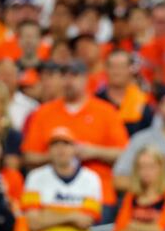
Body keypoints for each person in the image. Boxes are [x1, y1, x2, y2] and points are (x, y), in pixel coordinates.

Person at [21, 60, 129, 221]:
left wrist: (94, 151)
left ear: (86, 79)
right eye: (64, 76)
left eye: (75, 75)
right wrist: (60, 156)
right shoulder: (44, 112)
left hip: (97, 193)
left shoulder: (105, 111)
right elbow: (29, 156)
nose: (69, 81)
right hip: (49, 194)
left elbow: (124, 153)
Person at [21, 127, 101, 231]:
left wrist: (48, 214)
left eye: (66, 143)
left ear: (75, 148)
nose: (60, 149)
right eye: (55, 144)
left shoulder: (91, 178)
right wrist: (72, 215)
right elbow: (33, 223)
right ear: (48, 149)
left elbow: (85, 222)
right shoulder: (35, 177)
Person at [112, 146, 165, 231]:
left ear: (161, 168)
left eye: (151, 166)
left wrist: (134, 226)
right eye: (142, 167)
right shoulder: (132, 195)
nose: (146, 171)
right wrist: (150, 230)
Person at [96, 49, 154, 137]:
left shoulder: (142, 99)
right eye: (112, 66)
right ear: (106, 69)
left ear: (131, 69)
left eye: (121, 66)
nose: (116, 72)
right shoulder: (97, 100)